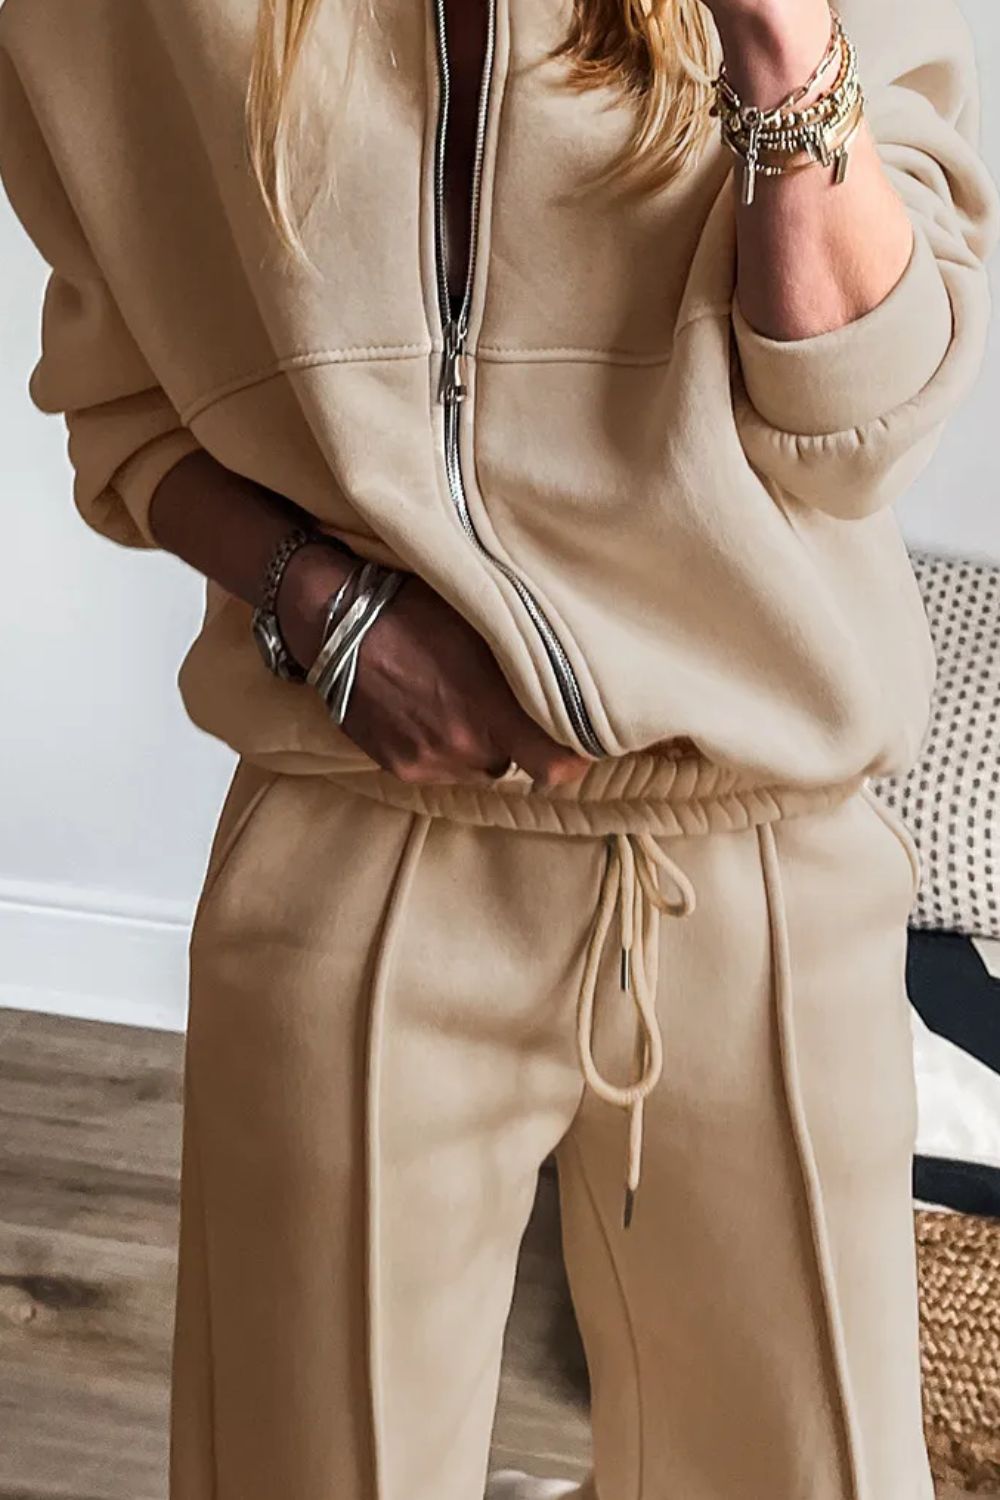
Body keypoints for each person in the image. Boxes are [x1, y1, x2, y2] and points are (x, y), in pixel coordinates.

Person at [1, 0, 996, 1495]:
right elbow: (124, 407)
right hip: (360, 847)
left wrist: (777, 44)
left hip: (762, 858)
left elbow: (860, 420)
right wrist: (324, 611)